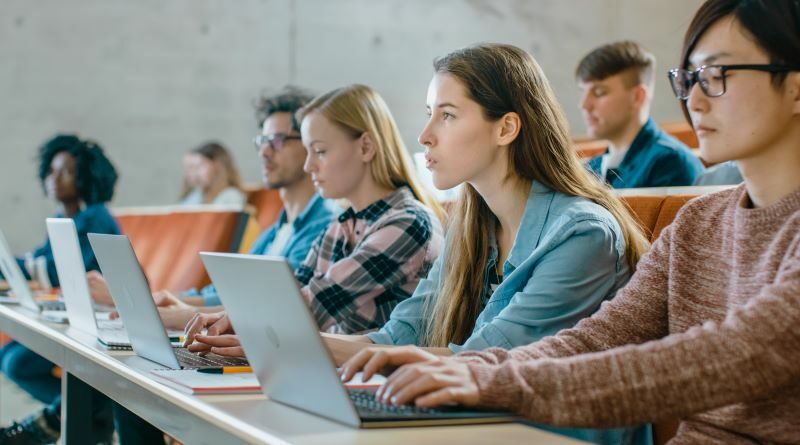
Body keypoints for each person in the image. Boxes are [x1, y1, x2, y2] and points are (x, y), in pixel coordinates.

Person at [341, 1, 800, 444]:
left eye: (718, 75)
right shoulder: (697, 225)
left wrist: (489, 380)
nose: (694, 100)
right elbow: (594, 340)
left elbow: (737, 353)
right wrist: (479, 370)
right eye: (690, 78)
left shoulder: (583, 228)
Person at [188, 47, 652, 444]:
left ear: (506, 128)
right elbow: (397, 338)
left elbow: (484, 363)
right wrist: (272, 340)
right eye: (428, 114)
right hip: (475, 424)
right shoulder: (473, 228)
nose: (425, 134)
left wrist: (288, 343)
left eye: (447, 115)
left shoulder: (583, 234)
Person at [184, 83, 445, 342]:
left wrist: (232, 322)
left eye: (319, 151)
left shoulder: (409, 223)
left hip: (377, 380)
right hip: (332, 371)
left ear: (365, 147)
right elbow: (291, 293)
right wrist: (225, 318)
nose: (309, 166)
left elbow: (312, 306)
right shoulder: (341, 226)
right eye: (308, 152)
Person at [88, 87, 339, 330]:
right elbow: (226, 293)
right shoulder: (275, 230)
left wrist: (166, 311)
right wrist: (153, 301)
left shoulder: (326, 226)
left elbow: (267, 306)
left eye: (277, 140)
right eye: (262, 141)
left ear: (310, 143)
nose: (264, 151)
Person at [0, 134, 121, 444]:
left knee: (18, 362)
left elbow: (54, 271)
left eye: (65, 171)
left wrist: (19, 265)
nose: (54, 178)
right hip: (78, 312)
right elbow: (41, 262)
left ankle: (63, 418)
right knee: (10, 357)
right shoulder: (63, 217)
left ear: (85, 177)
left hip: (102, 316)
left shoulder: (95, 218)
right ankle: (82, 416)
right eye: (52, 170)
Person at [579, 41, 705, 188]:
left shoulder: (669, 164)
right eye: (582, 92)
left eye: (599, 92)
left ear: (637, 96)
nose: (584, 105)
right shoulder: (592, 168)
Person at [177, 141, 245, 206]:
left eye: (199, 166)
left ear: (217, 166)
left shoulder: (231, 197)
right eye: (189, 168)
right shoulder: (196, 195)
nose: (192, 173)